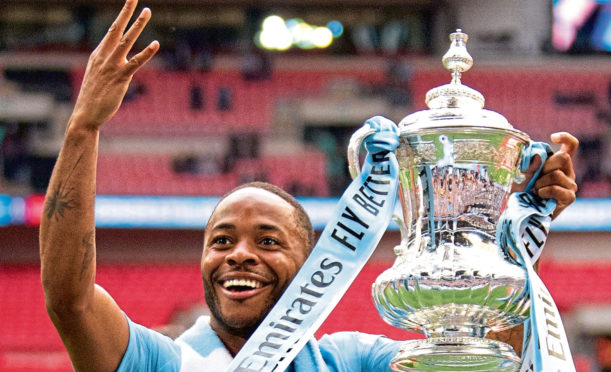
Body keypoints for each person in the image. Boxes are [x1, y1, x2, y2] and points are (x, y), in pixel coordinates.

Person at [39, 1, 580, 371]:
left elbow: (477, 356)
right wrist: (83, 126)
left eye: (268, 241)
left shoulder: (347, 359)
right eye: (222, 241)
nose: (240, 255)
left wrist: (509, 239)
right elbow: (69, 300)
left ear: (312, 266)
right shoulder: (166, 361)